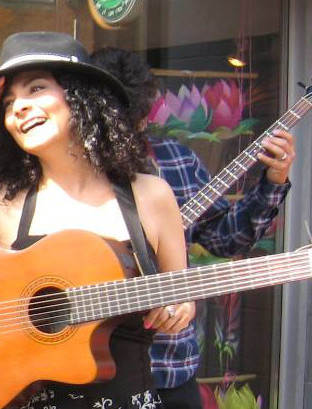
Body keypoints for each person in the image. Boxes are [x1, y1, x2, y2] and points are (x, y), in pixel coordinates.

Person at [0, 31, 192, 409]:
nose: (19, 108)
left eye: (36, 89)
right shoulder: (0, 200)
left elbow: (180, 295)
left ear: (81, 97)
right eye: (8, 104)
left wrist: (180, 309)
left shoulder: (150, 196)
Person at [90, 47, 293, 409]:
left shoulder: (177, 161)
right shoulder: (61, 176)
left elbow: (226, 239)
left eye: (127, 119)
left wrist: (273, 181)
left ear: (142, 118)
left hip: (168, 368)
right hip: (87, 372)